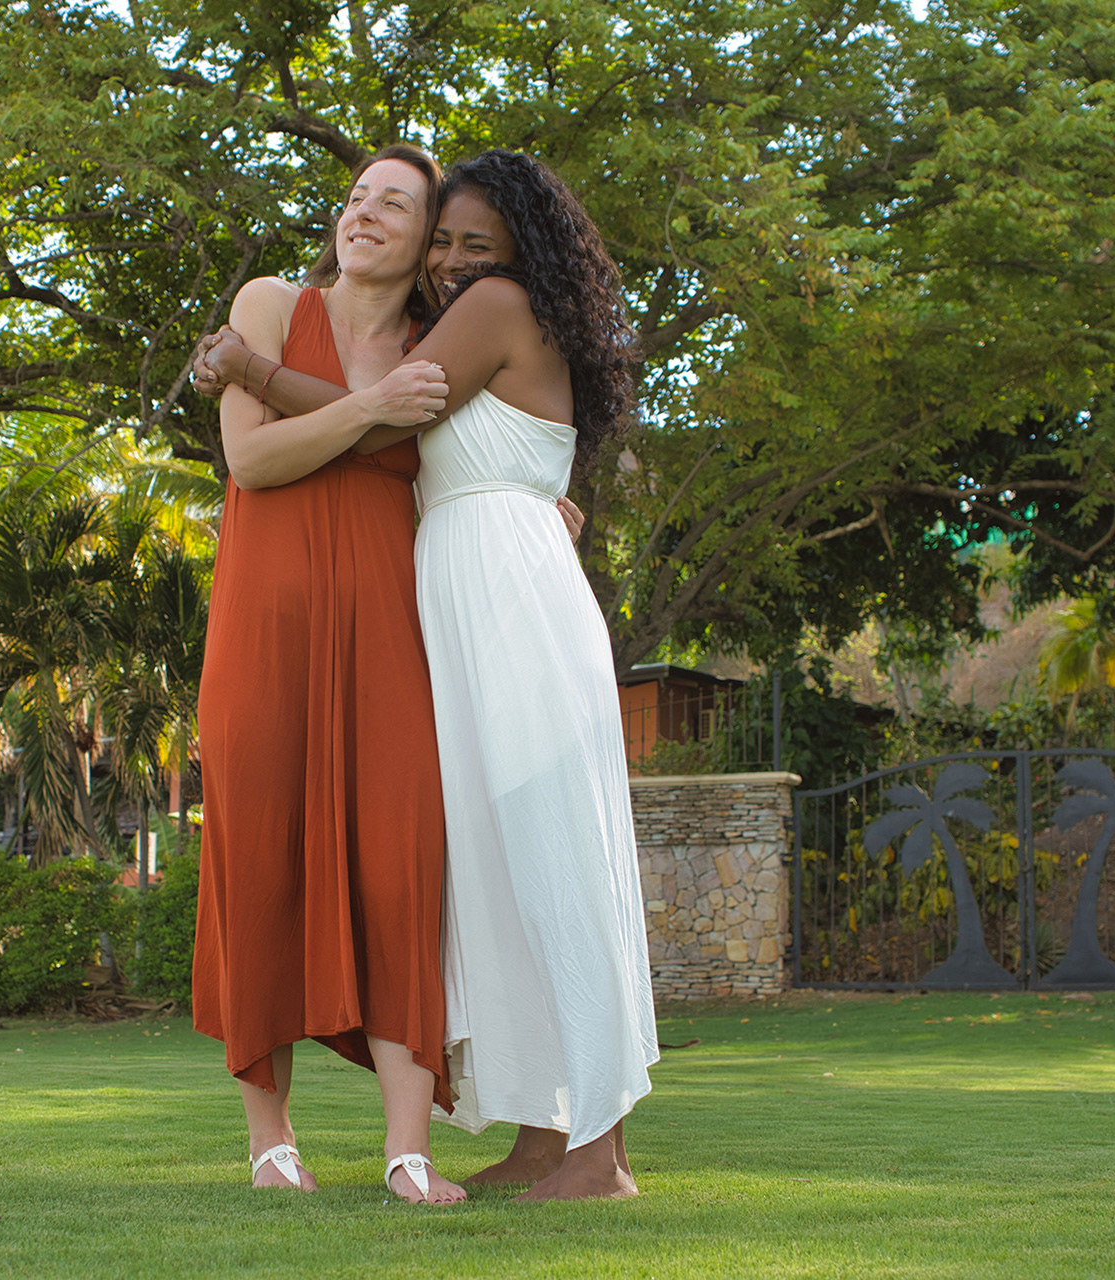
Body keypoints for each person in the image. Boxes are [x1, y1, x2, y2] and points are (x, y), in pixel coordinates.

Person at [193, 150, 658, 1202]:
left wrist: (249, 370)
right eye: (442, 239)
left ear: (518, 249)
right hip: (467, 601)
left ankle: (599, 1150)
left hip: (508, 609)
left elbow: (387, 420)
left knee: (554, 868)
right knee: (496, 873)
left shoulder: (489, 308)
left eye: (466, 240)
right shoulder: (464, 317)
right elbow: (406, 439)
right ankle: (546, 1133)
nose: (452, 259)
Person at [191, 143, 469, 1206]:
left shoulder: (439, 350)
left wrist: (541, 502)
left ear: (428, 238)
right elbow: (252, 460)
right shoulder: (269, 303)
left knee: (402, 862)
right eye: (356, 197)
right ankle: (271, 1140)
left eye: (394, 204)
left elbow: (475, 462)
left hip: (390, 635)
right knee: (258, 859)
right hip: (265, 628)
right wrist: (371, 409)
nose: (364, 213)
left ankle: (408, 1150)